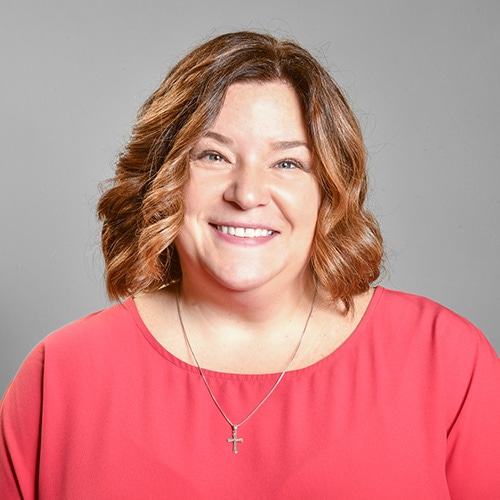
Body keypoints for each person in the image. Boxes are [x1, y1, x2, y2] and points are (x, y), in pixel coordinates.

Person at [1, 31, 499, 499]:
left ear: (329, 189)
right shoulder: (61, 376)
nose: (246, 194)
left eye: (288, 163)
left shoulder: (448, 362)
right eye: (213, 156)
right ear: (164, 177)